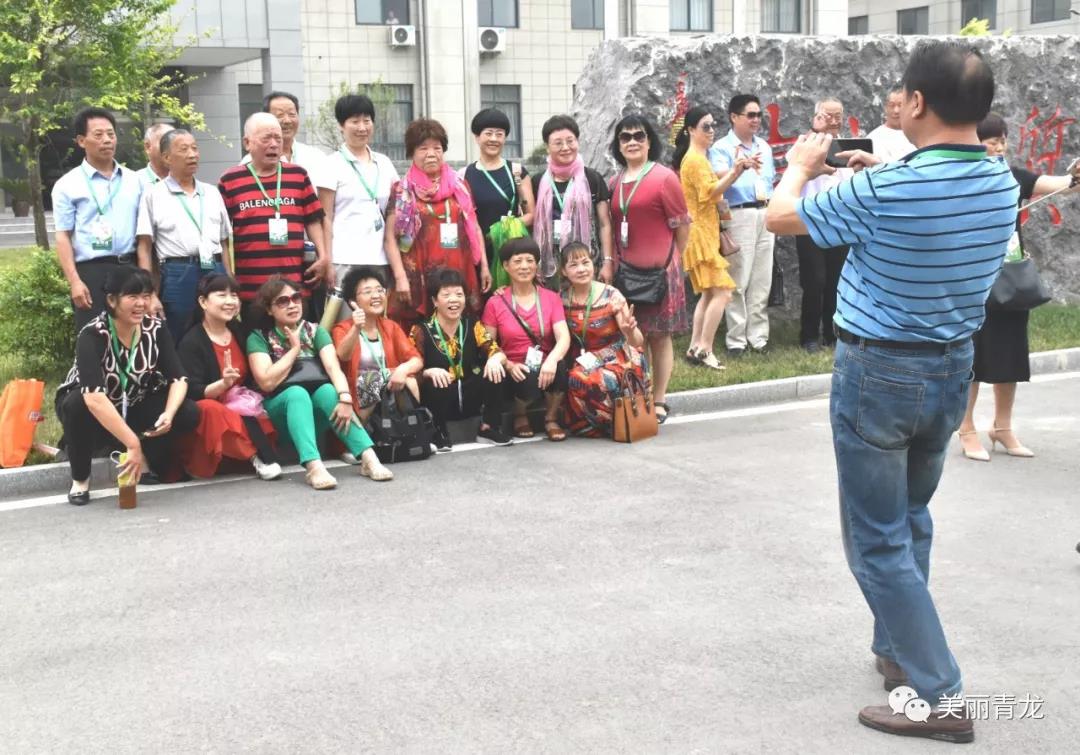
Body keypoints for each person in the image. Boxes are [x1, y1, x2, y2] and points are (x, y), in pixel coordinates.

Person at [766, 40, 1019, 743]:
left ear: (919, 102)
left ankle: (939, 694)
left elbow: (781, 217)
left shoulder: (891, 191)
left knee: (875, 540)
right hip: (950, 366)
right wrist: (876, 171)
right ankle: (898, 649)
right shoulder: (999, 180)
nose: (897, 101)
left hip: (879, 373)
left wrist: (799, 168)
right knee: (910, 516)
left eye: (902, 93)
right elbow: (928, 190)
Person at [956, 112, 1080, 461]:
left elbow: (1063, 185)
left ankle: (1003, 427)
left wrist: (1075, 175)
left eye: (1003, 140)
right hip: (972, 281)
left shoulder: (1013, 177)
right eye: (991, 140)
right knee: (972, 357)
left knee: (1009, 354)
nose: (999, 146)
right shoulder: (960, 179)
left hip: (1010, 281)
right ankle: (966, 428)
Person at [54, 267, 200, 504]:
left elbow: (179, 378)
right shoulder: (93, 334)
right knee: (76, 403)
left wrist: (169, 414)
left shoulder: (155, 328)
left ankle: (140, 454)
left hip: (131, 401)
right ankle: (80, 479)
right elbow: (94, 398)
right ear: (112, 300)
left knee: (188, 411)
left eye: (146, 296)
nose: (141, 303)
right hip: (92, 407)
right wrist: (133, 444)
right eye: (132, 296)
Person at [247, 276, 392, 489]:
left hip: (315, 413)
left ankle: (369, 458)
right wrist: (295, 350)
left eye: (296, 298)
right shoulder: (259, 337)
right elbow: (266, 382)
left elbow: (333, 368)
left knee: (327, 391)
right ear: (269, 309)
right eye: (283, 301)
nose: (292, 305)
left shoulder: (315, 331)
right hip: (279, 414)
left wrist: (345, 398)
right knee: (297, 393)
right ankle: (314, 467)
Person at [608, 112, 691, 421]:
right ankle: (636, 394)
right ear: (618, 144)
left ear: (649, 141)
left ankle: (659, 399)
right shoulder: (614, 182)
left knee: (659, 336)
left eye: (639, 136)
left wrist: (674, 261)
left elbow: (682, 225)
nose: (632, 142)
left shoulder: (664, 177)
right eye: (625, 137)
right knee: (632, 335)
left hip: (661, 271)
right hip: (626, 273)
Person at [218, 113, 330, 313]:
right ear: (247, 143)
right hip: (251, 288)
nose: (274, 144)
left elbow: (313, 220)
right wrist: (228, 274)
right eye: (266, 139)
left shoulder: (298, 175)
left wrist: (323, 256)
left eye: (278, 138)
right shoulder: (230, 180)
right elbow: (222, 235)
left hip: (294, 288)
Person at [388, 118, 490, 331]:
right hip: (419, 274)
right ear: (411, 152)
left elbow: (474, 226)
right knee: (420, 332)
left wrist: (484, 267)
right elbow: (390, 238)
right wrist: (400, 277)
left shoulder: (460, 185)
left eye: (437, 148)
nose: (431, 154)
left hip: (458, 269)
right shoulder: (401, 191)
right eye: (423, 148)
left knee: (461, 327)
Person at [176, 274, 281, 480]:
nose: (230, 301)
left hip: (244, 403)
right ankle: (255, 458)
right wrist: (223, 384)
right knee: (210, 409)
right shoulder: (191, 341)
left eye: (234, 295)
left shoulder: (240, 332)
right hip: (213, 409)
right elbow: (193, 391)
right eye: (221, 295)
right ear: (203, 302)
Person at [52, 108, 144, 332]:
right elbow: (63, 236)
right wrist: (74, 281)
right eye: (98, 135)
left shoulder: (135, 181)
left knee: (134, 336)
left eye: (111, 134)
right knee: (94, 337)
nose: (107, 140)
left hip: (129, 267)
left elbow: (144, 235)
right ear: (81, 141)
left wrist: (145, 277)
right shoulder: (67, 185)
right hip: (92, 272)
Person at [136, 129, 232, 342]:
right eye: (184, 149)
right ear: (167, 158)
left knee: (218, 331)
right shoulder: (153, 194)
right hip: (178, 273)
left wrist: (229, 279)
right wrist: (148, 293)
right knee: (179, 334)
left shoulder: (212, 192)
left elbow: (224, 241)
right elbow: (144, 247)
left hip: (214, 269)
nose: (192, 154)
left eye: (195, 148)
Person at [319, 94, 408, 309]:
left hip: (379, 259)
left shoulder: (384, 163)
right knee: (346, 320)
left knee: (377, 320)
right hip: (344, 259)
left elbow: (392, 210)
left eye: (367, 120)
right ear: (341, 125)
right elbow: (325, 217)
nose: (362, 127)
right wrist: (327, 260)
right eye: (354, 121)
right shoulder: (331, 165)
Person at [411, 267, 514, 451]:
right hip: (441, 395)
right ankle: (438, 431)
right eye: (446, 295)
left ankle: (488, 427)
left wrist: (495, 359)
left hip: (469, 393)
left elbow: (496, 351)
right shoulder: (421, 330)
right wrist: (428, 372)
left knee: (496, 369)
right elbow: (411, 366)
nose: (454, 300)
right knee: (435, 380)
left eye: (459, 294)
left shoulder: (472, 325)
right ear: (435, 301)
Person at [482, 237, 571, 441]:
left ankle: (550, 418)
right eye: (518, 261)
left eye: (530, 260)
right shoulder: (495, 302)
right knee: (526, 378)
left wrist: (551, 360)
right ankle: (520, 415)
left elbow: (563, 336)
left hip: (545, 363)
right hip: (513, 366)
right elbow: (488, 344)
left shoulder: (551, 298)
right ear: (506, 266)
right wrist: (509, 365)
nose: (524, 266)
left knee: (560, 367)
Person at [709, 94, 777, 358]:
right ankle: (736, 340)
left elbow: (769, 180)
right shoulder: (722, 148)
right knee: (737, 279)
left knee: (762, 278)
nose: (756, 119)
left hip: (765, 211)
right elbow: (718, 181)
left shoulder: (764, 147)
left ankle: (758, 337)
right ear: (734, 117)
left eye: (759, 115)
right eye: (750, 115)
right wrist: (739, 167)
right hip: (739, 214)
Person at [671, 106, 734, 373]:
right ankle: (705, 349)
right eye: (705, 126)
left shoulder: (697, 158)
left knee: (709, 294)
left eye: (713, 125)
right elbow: (710, 192)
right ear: (691, 130)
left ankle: (695, 347)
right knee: (723, 292)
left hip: (701, 233)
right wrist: (736, 172)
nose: (711, 131)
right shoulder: (695, 160)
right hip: (699, 236)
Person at [560, 242, 647, 437]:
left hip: (616, 355)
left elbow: (637, 342)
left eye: (585, 262)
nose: (581, 269)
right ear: (564, 271)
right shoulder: (561, 299)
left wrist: (629, 330)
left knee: (581, 377)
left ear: (593, 264)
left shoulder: (611, 295)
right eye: (573, 265)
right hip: (582, 357)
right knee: (574, 374)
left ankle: (615, 422)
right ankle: (591, 425)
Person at [332, 266, 422, 428]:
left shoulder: (390, 327)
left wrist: (402, 370)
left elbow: (416, 359)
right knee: (372, 380)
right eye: (367, 292)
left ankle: (412, 432)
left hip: (388, 391)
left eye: (380, 290)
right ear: (353, 301)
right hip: (356, 394)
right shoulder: (343, 329)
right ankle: (360, 431)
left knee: (410, 381)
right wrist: (356, 328)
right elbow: (342, 356)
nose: (376, 295)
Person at [531, 115, 614, 288]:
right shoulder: (538, 182)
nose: (565, 147)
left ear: (577, 142)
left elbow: (605, 224)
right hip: (550, 264)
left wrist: (607, 262)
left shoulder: (592, 179)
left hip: (587, 261)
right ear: (547, 147)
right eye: (558, 143)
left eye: (570, 141)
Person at [796, 99, 852, 353]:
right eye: (828, 115)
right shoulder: (806, 143)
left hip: (840, 223)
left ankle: (832, 333)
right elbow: (793, 162)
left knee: (836, 280)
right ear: (817, 116)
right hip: (810, 221)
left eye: (838, 115)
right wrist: (817, 133)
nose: (834, 120)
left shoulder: (847, 147)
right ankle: (809, 335)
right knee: (814, 281)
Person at [461, 108, 535, 290]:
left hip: (511, 250)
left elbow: (531, 215)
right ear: (477, 137)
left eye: (499, 134)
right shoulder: (465, 175)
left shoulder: (517, 172)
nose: (494, 139)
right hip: (479, 253)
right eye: (488, 133)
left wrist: (503, 228)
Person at [868, 85, 917, 163]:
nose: (896, 111)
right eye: (892, 105)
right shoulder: (875, 138)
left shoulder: (919, 134)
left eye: (900, 105)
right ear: (885, 107)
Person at [138, 122, 175, 189]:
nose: (172, 148)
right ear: (148, 147)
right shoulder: (134, 182)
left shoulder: (187, 180)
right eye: (166, 142)